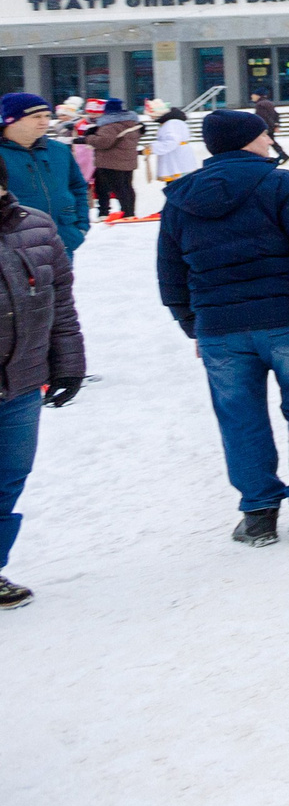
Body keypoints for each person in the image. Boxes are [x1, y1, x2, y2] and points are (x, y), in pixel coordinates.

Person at [158, 108, 289, 544]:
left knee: (240, 418)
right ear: (249, 140)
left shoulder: (181, 197)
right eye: (263, 134)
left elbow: (171, 273)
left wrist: (193, 325)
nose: (268, 140)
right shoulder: (280, 183)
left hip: (220, 328)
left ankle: (258, 511)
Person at [0, 177, 84, 609]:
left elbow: (61, 302)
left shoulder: (35, 226)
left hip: (22, 381)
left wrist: (68, 364)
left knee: (9, 479)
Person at [0, 93, 89, 256]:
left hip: (62, 241)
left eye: (47, 115)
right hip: (15, 248)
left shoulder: (59, 150)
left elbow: (77, 187)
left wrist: (81, 226)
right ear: (11, 120)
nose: (44, 122)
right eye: (36, 116)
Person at [85, 99, 142, 221]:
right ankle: (129, 212)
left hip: (111, 162)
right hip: (127, 161)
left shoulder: (110, 125)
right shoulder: (131, 123)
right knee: (127, 187)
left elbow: (103, 142)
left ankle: (127, 214)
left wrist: (89, 137)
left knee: (118, 188)